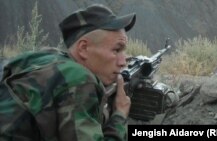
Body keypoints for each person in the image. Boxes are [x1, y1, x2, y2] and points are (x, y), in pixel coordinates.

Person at [0, 4, 136, 141]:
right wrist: (120, 114)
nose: (123, 62)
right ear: (83, 48)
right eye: (117, 50)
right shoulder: (78, 79)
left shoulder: (48, 60)